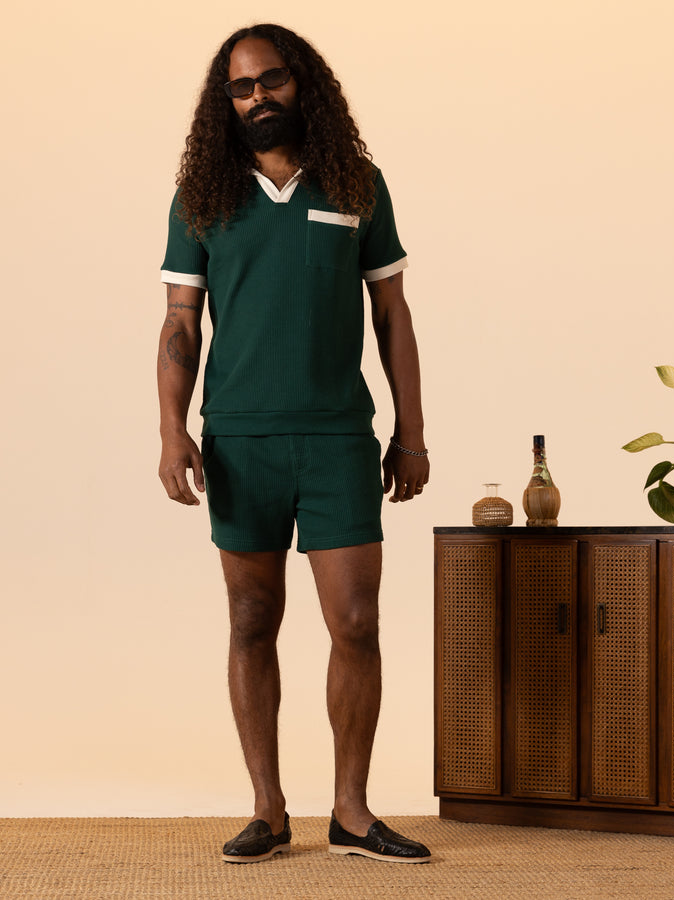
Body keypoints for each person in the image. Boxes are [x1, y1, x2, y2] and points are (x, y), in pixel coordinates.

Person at [157, 23, 430, 864]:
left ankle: (350, 811)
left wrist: (410, 432)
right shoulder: (202, 195)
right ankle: (268, 810)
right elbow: (179, 324)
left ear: (301, 83)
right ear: (224, 101)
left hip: (339, 438)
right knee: (251, 622)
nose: (257, 97)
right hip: (238, 439)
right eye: (240, 88)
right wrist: (172, 432)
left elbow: (392, 314)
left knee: (356, 623)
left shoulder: (358, 182)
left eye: (271, 80)